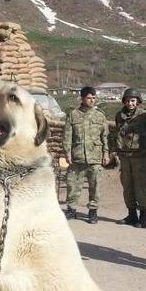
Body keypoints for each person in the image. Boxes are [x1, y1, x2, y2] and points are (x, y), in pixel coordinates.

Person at [62, 86, 110, 224]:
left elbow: (104, 137)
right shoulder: (73, 115)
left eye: (94, 98)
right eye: (89, 98)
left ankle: (93, 212)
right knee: (72, 185)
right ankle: (71, 210)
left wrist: (106, 154)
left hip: (95, 158)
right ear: (82, 99)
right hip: (77, 157)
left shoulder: (100, 116)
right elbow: (67, 136)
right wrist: (67, 153)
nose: (92, 100)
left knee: (95, 186)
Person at [110, 88, 146, 228]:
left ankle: (143, 217)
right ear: (124, 101)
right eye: (127, 101)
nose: (130, 103)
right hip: (124, 157)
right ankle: (131, 215)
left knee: (140, 187)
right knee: (127, 186)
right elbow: (118, 134)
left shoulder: (145, 115)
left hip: (140, 156)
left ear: (137, 102)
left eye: (133, 101)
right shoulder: (119, 115)